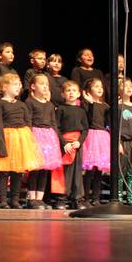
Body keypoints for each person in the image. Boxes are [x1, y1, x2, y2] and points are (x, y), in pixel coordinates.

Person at [0, 72, 44, 208]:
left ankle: (15, 199)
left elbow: (28, 124)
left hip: (21, 139)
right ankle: (3, 200)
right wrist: (1, 146)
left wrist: (30, 144)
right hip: (6, 138)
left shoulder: (22, 105)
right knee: (3, 171)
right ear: (4, 87)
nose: (19, 86)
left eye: (20, 84)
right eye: (15, 84)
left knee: (18, 171)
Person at [25, 74, 62, 209]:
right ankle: (31, 198)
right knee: (35, 169)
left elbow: (53, 123)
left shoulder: (50, 105)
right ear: (33, 87)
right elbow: (28, 120)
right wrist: (30, 137)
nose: (45, 86)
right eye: (41, 84)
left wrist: (57, 139)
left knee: (45, 169)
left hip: (49, 137)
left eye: (47, 84)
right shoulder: (29, 102)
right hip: (35, 135)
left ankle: (39, 199)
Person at [55, 81, 89, 210]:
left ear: (79, 94)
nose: (71, 93)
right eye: (68, 90)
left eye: (74, 90)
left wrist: (79, 142)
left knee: (77, 172)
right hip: (65, 144)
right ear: (63, 94)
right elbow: (56, 127)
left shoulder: (81, 111)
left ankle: (77, 198)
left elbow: (85, 129)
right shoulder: (61, 109)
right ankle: (61, 198)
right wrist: (64, 143)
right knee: (65, 172)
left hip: (76, 144)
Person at [81, 77, 110, 206]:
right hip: (91, 135)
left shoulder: (106, 106)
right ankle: (86, 197)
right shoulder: (85, 103)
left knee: (99, 170)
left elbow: (108, 123)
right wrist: (91, 103)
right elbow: (89, 119)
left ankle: (96, 197)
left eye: (101, 86)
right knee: (90, 170)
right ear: (88, 89)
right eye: (96, 86)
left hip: (103, 137)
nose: (100, 89)